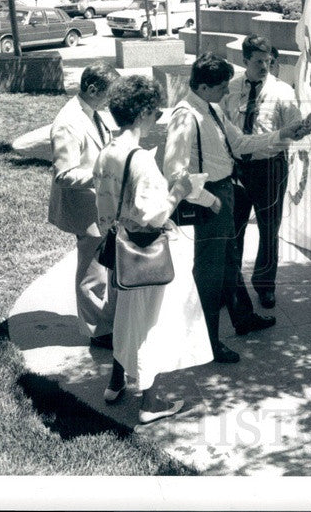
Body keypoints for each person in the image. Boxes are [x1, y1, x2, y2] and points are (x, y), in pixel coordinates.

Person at [164, 53, 311, 363]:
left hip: (223, 194)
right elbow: (175, 172)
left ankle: (242, 317)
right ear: (203, 86)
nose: (228, 92)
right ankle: (208, 343)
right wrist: (210, 200)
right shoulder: (185, 116)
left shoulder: (209, 109)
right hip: (209, 199)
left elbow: (240, 144)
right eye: (222, 87)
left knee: (229, 262)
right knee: (210, 273)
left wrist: (285, 133)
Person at [93, 75, 213, 424]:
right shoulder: (141, 160)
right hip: (147, 249)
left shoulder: (107, 153)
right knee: (151, 324)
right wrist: (179, 189)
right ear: (143, 113)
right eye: (155, 110)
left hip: (120, 246)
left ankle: (116, 381)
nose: (158, 116)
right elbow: (154, 213)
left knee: (125, 315)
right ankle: (150, 401)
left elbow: (104, 204)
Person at [223, 35, 302, 309]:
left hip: (270, 169)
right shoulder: (230, 88)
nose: (265, 66)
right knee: (234, 230)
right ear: (245, 61)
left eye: (269, 61)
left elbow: (295, 128)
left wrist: (281, 137)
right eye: (258, 61)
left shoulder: (283, 91)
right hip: (236, 169)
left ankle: (265, 286)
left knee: (269, 231)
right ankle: (232, 287)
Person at [48, 62, 120, 348]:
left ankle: (103, 322)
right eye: (109, 94)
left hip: (101, 205)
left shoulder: (92, 113)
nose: (112, 101)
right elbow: (63, 175)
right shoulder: (68, 122)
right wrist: (103, 175)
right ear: (92, 89)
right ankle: (98, 332)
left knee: (103, 268)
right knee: (93, 273)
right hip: (86, 208)